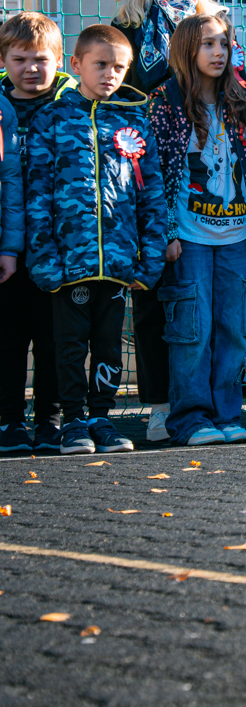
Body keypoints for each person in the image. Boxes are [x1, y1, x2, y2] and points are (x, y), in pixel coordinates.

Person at [24, 25, 167, 453]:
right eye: (100, 65)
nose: (110, 74)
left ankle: (102, 419)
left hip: (120, 265)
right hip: (68, 265)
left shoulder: (134, 121)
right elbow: (37, 195)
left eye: (119, 67)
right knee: (69, 347)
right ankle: (72, 422)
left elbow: (151, 195)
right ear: (76, 65)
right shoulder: (52, 119)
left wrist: (150, 260)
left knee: (108, 347)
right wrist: (44, 259)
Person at [112, 0, 229, 443]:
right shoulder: (129, 27)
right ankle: (160, 403)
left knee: (208, 307)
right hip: (148, 167)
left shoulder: (217, 23)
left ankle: (207, 404)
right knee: (154, 287)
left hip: (207, 176)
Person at [144, 14, 246, 446]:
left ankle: (226, 414)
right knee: (192, 331)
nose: (218, 52)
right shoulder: (163, 104)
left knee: (233, 330)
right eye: (207, 44)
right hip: (190, 241)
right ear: (186, 49)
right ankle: (190, 419)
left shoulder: (243, 104)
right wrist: (164, 231)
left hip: (237, 238)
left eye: (223, 44)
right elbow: (151, 173)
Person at [0, 12, 68, 452]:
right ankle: (8, 421)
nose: (31, 68)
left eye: (41, 59)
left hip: (60, 250)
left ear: (60, 61)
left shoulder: (73, 108)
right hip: (9, 252)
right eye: (20, 59)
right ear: (3, 59)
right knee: (7, 339)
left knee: (54, 340)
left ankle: (51, 420)